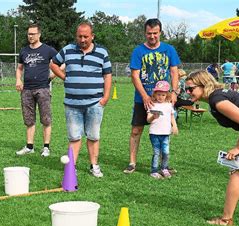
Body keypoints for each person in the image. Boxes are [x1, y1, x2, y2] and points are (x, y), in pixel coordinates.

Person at [185, 70, 239, 226]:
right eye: (186, 89)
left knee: (237, 170)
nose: (187, 92)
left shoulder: (217, 99)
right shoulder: (217, 97)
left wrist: (238, 148)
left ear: (203, 85)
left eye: (191, 88)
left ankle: (226, 220)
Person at [50, 21, 112, 177]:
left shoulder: (102, 53)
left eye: (86, 36)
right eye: (79, 36)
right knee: (74, 137)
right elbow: (53, 64)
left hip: (95, 103)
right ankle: (72, 167)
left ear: (92, 36)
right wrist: (65, 77)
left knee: (93, 136)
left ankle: (94, 166)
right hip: (72, 104)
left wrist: (105, 97)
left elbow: (107, 75)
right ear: (76, 36)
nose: (82, 40)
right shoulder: (68, 50)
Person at [123, 18, 180, 174]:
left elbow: (174, 71)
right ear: (145, 33)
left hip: (164, 100)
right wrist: (144, 96)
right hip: (142, 99)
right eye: (149, 33)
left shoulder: (169, 49)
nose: (152, 36)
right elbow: (134, 75)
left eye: (155, 33)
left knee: (163, 132)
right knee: (136, 130)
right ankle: (132, 162)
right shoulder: (138, 51)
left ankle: (163, 166)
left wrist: (174, 92)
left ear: (160, 32)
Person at [15, 23, 57, 157]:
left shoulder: (48, 50)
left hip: (43, 88)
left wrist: (53, 75)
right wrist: (18, 80)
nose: (30, 36)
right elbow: (19, 68)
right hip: (27, 89)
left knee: (46, 118)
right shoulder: (24, 51)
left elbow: (62, 64)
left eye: (33, 34)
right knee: (29, 119)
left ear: (39, 34)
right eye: (29, 34)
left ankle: (46, 147)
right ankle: (29, 146)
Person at [146, 81, 178, 179]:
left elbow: (172, 116)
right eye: (158, 94)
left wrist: (174, 126)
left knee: (166, 152)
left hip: (165, 133)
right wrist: (153, 117)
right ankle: (154, 171)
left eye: (163, 95)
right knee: (156, 153)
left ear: (167, 95)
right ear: (155, 94)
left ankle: (164, 168)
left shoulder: (168, 105)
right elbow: (148, 119)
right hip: (154, 133)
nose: (160, 97)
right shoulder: (152, 105)